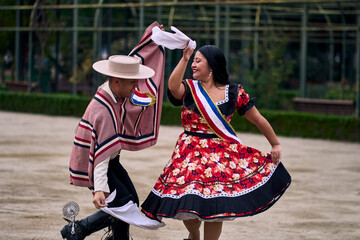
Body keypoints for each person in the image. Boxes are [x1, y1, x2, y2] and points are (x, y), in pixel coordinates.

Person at [141, 45, 291, 240]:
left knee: (216, 206)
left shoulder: (234, 92)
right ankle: (193, 234)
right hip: (189, 154)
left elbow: (258, 119)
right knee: (189, 200)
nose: (194, 65)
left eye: (198, 60)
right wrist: (185, 58)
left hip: (220, 156)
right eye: (193, 61)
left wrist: (275, 144)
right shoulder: (189, 88)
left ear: (211, 66)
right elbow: (172, 87)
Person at [61, 22, 166, 240]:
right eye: (132, 83)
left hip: (110, 161)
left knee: (130, 203)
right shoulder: (104, 110)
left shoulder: (115, 92)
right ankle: (77, 230)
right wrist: (99, 189)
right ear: (117, 81)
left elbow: (133, 60)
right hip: (99, 163)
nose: (136, 88)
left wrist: (152, 40)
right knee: (124, 205)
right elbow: (100, 157)